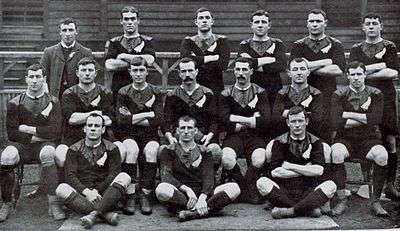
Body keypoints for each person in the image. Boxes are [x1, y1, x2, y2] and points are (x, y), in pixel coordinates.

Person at [3, 64, 65, 220]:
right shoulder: (15, 103)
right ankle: (5, 203)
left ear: (44, 79)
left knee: (49, 152)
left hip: (44, 146)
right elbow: (12, 134)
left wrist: (26, 128)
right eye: (31, 77)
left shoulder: (53, 102)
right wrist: (40, 134)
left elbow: (56, 132)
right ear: (26, 79)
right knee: (7, 156)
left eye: (38, 77)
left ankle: (53, 202)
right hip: (22, 146)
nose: (35, 80)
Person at [349, 12, 399, 199]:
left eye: (374, 23)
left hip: (385, 97)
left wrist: (365, 72)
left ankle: (390, 184)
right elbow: (353, 71)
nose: (371, 26)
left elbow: (392, 73)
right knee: (365, 135)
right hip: (363, 96)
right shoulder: (356, 48)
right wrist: (380, 66)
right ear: (363, 27)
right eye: (367, 24)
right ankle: (365, 182)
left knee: (390, 140)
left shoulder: (389, 46)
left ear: (381, 26)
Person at [329, 61, 388, 216]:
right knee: (335, 153)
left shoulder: (376, 93)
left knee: (382, 155)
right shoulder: (338, 94)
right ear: (347, 76)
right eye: (352, 74)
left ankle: (375, 201)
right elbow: (336, 122)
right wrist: (365, 118)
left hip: (369, 139)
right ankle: (342, 200)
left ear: (365, 75)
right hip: (345, 139)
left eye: (359, 74)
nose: (356, 77)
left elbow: (376, 119)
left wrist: (347, 115)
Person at [256, 106, 337, 219]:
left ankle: (289, 211)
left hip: (308, 189)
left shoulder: (315, 142)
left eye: (300, 120)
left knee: (331, 186)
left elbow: (319, 170)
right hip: (283, 190)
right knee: (261, 182)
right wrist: (307, 168)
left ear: (307, 121)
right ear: (288, 123)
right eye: (293, 121)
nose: (297, 125)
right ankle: (307, 209)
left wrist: (290, 166)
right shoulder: (279, 142)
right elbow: (276, 172)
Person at [156, 116, 241, 221]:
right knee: (161, 189)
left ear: (195, 130)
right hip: (181, 194)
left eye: (189, 128)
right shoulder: (168, 150)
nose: (186, 131)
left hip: (204, 195)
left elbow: (209, 177)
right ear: (177, 131)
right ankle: (205, 210)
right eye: (182, 128)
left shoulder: (205, 151)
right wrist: (188, 190)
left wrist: (202, 197)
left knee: (234, 188)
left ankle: (193, 213)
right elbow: (166, 176)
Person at [55, 114, 131, 229]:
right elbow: (70, 176)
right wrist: (87, 192)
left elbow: (113, 174)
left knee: (124, 176)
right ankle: (104, 214)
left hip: (105, 194)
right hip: (82, 196)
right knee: (61, 189)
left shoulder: (112, 148)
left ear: (103, 129)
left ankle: (94, 214)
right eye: (90, 125)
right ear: (84, 129)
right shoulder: (73, 149)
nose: (93, 128)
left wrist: (96, 191)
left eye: (97, 125)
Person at [114, 57, 163, 215]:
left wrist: (133, 117)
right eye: (135, 70)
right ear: (130, 72)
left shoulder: (156, 91)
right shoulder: (123, 92)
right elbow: (122, 121)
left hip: (150, 134)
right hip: (128, 134)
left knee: (152, 150)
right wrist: (148, 113)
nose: (138, 73)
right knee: (131, 149)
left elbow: (157, 121)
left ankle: (145, 194)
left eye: (141, 70)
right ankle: (130, 194)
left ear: (147, 71)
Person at [219, 57, 270, 203]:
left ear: (251, 71)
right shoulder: (226, 93)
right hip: (234, 136)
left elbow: (265, 120)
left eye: (244, 70)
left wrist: (236, 117)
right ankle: (244, 186)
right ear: (234, 71)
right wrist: (252, 119)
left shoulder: (260, 92)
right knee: (227, 158)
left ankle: (248, 186)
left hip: (255, 136)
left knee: (260, 158)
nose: (241, 73)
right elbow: (224, 120)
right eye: (238, 69)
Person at [290, 9, 345, 140]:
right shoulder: (299, 45)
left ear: (325, 23)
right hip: (303, 92)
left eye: (318, 21)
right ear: (307, 24)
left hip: (328, 92)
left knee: (325, 129)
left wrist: (307, 67)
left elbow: (338, 70)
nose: (315, 24)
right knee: (303, 126)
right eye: (312, 21)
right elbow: (292, 68)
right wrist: (326, 62)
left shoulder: (335, 44)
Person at [164, 57, 221, 166]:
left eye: (190, 71)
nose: (187, 75)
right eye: (184, 71)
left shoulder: (207, 93)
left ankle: (213, 180)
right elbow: (166, 121)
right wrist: (170, 137)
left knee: (215, 150)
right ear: (179, 74)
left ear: (196, 72)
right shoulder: (172, 95)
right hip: (180, 136)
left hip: (203, 137)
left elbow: (215, 120)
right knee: (164, 150)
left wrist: (209, 136)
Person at [60, 57, 114, 146]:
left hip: (100, 139)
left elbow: (108, 120)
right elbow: (72, 119)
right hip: (74, 138)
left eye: (90, 70)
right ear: (77, 73)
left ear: (96, 73)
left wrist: (82, 117)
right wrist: (95, 113)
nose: (87, 73)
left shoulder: (105, 92)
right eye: (83, 70)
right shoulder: (69, 93)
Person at [238, 9, 287, 108]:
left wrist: (254, 63)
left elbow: (281, 65)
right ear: (251, 25)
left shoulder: (278, 43)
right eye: (257, 22)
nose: (260, 25)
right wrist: (269, 59)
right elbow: (242, 64)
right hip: (250, 89)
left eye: (263, 22)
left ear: (269, 25)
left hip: (273, 89)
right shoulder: (245, 44)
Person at [104, 5, 155, 96]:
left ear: (138, 20)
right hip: (119, 89)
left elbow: (150, 60)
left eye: (133, 19)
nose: (130, 22)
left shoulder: (147, 41)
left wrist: (123, 56)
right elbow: (109, 65)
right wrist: (139, 62)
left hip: (142, 89)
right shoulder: (114, 42)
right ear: (121, 21)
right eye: (126, 19)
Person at [180, 7, 230, 94]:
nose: (204, 21)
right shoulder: (188, 41)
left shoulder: (221, 40)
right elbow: (185, 61)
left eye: (207, 18)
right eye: (201, 18)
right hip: (193, 87)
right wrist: (212, 57)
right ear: (196, 22)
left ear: (212, 21)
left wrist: (197, 59)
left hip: (215, 87)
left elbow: (223, 64)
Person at [40, 18, 93, 99]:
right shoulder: (49, 52)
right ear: (60, 32)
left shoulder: (85, 52)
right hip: (55, 97)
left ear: (76, 31)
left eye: (71, 30)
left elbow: (91, 78)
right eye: (64, 30)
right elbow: (42, 76)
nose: (67, 34)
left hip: (77, 98)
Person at [272, 58, 323, 137]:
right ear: (289, 73)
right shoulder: (282, 93)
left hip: (310, 136)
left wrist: (287, 113)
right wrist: (307, 113)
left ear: (308, 72)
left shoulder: (316, 93)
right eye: (295, 69)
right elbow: (276, 120)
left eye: (302, 69)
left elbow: (317, 120)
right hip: (285, 136)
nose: (299, 73)